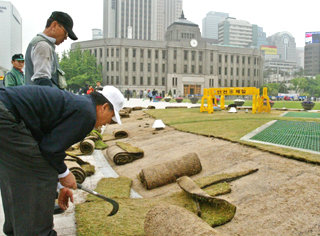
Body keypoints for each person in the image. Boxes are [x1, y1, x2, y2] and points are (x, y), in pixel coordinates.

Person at [0, 85, 125, 235]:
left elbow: (48, 145)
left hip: (6, 111)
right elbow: (50, 150)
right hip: (6, 114)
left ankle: (14, 229)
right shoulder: (87, 114)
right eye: (111, 118)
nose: (108, 123)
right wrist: (64, 174)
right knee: (40, 172)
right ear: (104, 107)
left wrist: (60, 184)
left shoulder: (81, 105)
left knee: (17, 174)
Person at [25, 11, 78, 88]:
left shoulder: (44, 45)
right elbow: (42, 82)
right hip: (42, 100)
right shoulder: (43, 45)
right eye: (66, 32)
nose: (66, 37)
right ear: (54, 25)